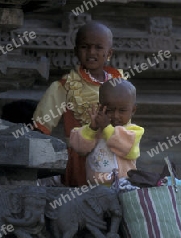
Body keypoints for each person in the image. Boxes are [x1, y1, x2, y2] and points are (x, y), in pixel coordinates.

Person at [32, 21, 122, 186]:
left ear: (109, 53)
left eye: (98, 47)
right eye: (84, 47)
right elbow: (40, 127)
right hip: (80, 158)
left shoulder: (120, 83)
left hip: (117, 155)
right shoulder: (65, 87)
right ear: (75, 51)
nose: (91, 52)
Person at [69, 80, 144, 186]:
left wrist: (106, 128)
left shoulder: (133, 131)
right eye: (109, 110)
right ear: (100, 107)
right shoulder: (95, 129)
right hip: (95, 187)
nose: (115, 116)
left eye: (122, 111)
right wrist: (91, 129)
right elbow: (79, 148)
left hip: (123, 186)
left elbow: (128, 149)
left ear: (133, 110)